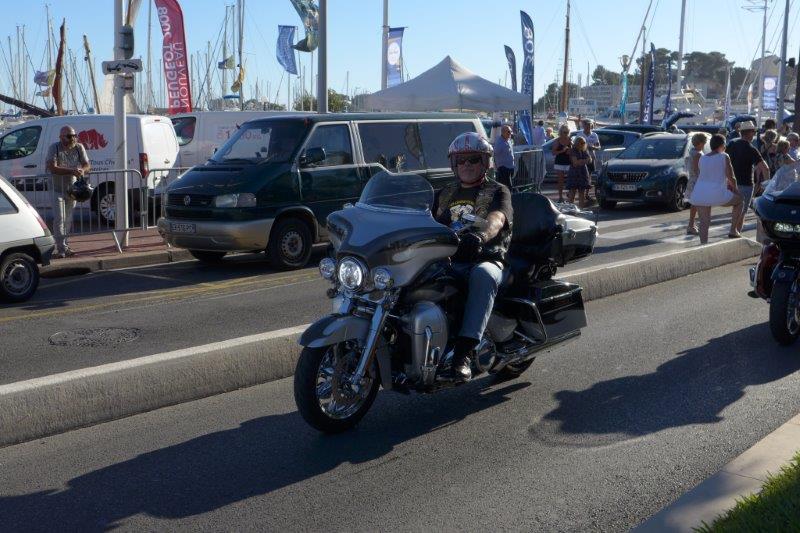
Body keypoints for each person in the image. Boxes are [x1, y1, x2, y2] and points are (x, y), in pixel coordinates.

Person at [432, 132, 513, 381]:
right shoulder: (444, 193)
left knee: (483, 275)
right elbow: (424, 220)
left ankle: (464, 353)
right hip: (448, 258)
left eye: (473, 159)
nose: (466, 164)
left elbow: (497, 218)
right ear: (453, 164)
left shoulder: (497, 190)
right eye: (461, 160)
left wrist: (481, 236)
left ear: (485, 162)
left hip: (486, 256)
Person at [46, 125, 91, 258]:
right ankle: (61, 249)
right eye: (70, 136)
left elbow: (87, 164)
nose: (73, 138)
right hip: (56, 188)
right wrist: (71, 170)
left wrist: (82, 170)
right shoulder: (54, 148)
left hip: (72, 189)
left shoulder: (79, 147)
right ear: (61, 137)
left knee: (68, 219)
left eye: (75, 135)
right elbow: (52, 167)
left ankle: (65, 246)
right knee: (59, 218)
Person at [689, 134, 743, 244]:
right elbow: (731, 177)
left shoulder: (702, 158)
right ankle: (733, 230)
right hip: (717, 193)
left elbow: (701, 174)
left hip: (699, 193)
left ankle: (703, 245)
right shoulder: (724, 156)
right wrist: (736, 191)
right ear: (722, 145)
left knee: (704, 222)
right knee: (740, 201)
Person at [726, 120, 770, 236]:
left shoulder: (732, 144)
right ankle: (735, 231)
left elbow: (723, 161)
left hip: (730, 182)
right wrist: (767, 185)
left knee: (736, 207)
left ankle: (734, 231)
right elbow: (765, 168)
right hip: (746, 184)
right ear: (749, 133)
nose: (754, 134)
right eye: (753, 132)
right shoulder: (751, 149)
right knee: (742, 210)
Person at [685, 132, 708, 236]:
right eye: (704, 142)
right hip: (697, 180)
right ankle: (692, 225)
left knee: (695, 204)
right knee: (698, 204)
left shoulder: (692, 152)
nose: (705, 144)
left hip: (693, 180)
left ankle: (692, 224)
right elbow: (696, 168)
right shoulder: (698, 154)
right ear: (700, 143)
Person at [574, 118, 601, 204]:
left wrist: (593, 147)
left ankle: (587, 194)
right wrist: (583, 147)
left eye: (589, 126)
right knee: (580, 174)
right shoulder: (579, 134)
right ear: (584, 126)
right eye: (586, 125)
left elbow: (599, 147)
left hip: (591, 157)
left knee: (589, 176)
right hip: (581, 157)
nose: (588, 127)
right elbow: (575, 146)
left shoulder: (594, 135)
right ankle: (576, 192)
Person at [566, 137, 592, 207]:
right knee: (572, 192)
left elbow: (590, 160)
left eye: (584, 143)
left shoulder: (584, 150)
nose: (583, 144)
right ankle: (570, 209)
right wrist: (585, 160)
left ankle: (581, 209)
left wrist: (581, 161)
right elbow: (575, 163)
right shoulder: (573, 150)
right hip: (574, 173)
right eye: (581, 143)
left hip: (583, 173)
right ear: (577, 143)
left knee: (582, 193)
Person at [551, 125, 572, 202]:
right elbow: (553, 152)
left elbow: (572, 151)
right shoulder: (557, 141)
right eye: (564, 132)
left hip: (569, 162)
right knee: (560, 180)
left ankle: (570, 195)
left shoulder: (570, 140)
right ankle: (560, 197)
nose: (566, 134)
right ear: (561, 132)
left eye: (567, 132)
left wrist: (570, 151)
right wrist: (562, 151)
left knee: (571, 179)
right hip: (559, 162)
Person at [492, 124, 515, 188]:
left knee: (506, 186)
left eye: (511, 131)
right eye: (508, 132)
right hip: (503, 168)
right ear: (503, 132)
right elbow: (495, 153)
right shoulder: (499, 142)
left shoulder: (508, 140)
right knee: (507, 186)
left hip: (510, 167)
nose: (510, 133)